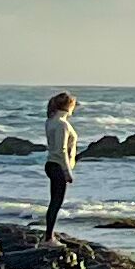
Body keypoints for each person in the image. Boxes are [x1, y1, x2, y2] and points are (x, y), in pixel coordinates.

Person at [41, 92, 79, 242]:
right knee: (56, 203)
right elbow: (61, 150)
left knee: (54, 202)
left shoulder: (50, 121)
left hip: (51, 164)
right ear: (69, 106)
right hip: (58, 165)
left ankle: (49, 235)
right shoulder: (62, 124)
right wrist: (67, 171)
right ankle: (49, 238)